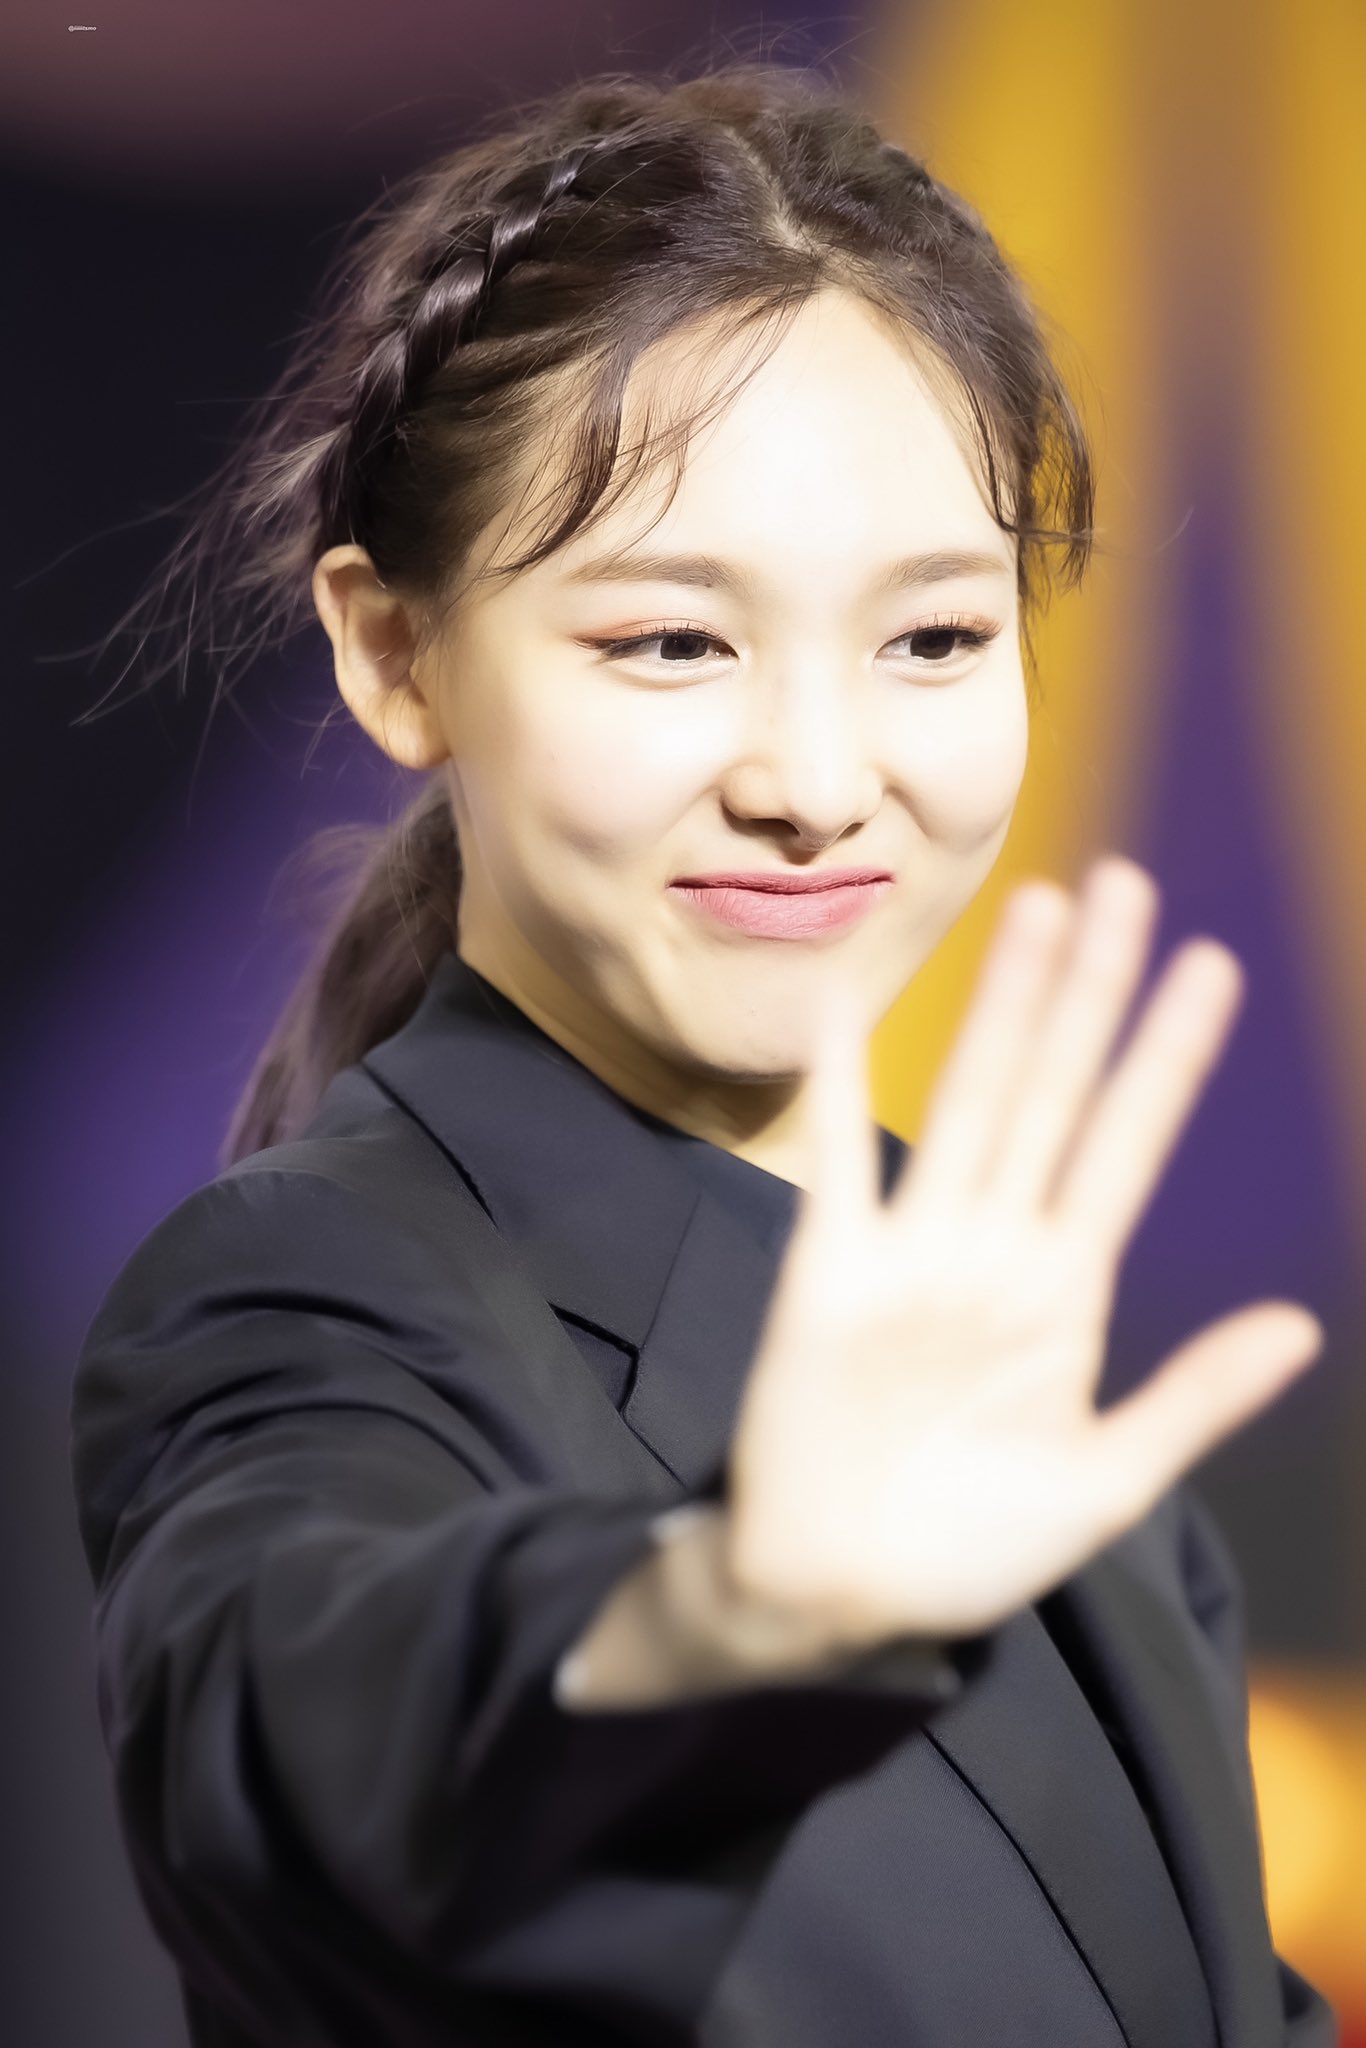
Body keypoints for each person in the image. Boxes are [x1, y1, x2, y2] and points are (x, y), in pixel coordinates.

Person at [70, 59, 1337, 2048]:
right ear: (394, 655)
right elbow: (315, 1754)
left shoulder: (989, 1356)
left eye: (933, 638)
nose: (816, 782)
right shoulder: (306, 1292)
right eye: (671, 641)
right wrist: (726, 1616)